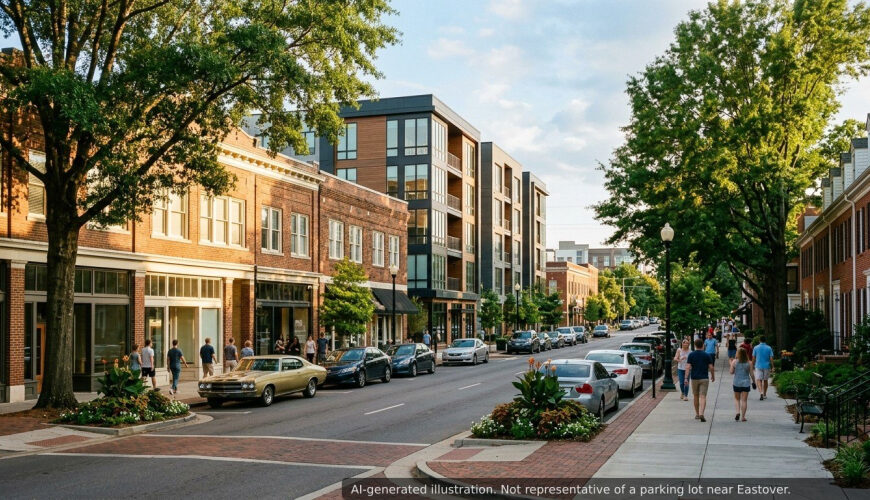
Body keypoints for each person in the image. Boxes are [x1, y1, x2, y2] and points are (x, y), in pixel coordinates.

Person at [686, 338, 715, 422]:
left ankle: (697, 414)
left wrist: (685, 378)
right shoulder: (707, 355)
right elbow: (711, 367)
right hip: (704, 378)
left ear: (695, 345)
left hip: (694, 378)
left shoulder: (691, 355)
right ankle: (702, 413)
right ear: (703, 345)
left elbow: (688, 367)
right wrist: (713, 376)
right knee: (703, 396)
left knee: (695, 396)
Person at [730, 347, 756, 421]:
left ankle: (737, 412)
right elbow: (752, 374)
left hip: (736, 383)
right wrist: (754, 382)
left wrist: (731, 365)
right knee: (744, 400)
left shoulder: (734, 361)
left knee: (737, 399)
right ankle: (743, 417)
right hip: (746, 383)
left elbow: (731, 372)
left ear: (737, 354)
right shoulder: (749, 362)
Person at [752, 335, 774, 400]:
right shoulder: (769, 348)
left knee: (758, 380)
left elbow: (753, 357)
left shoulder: (756, 347)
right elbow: (771, 358)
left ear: (759, 340)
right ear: (765, 340)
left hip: (758, 365)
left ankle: (761, 392)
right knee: (765, 380)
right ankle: (764, 394)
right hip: (766, 366)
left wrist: (752, 365)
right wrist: (773, 366)